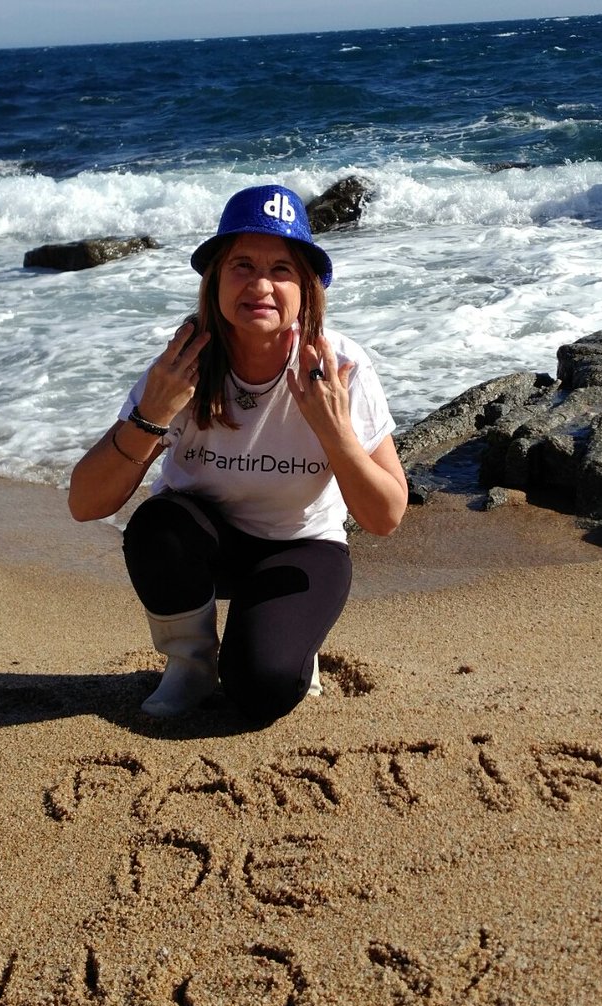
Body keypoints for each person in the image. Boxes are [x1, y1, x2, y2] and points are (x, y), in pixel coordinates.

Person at [68, 183, 407, 725]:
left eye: (281, 269)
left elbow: (385, 516)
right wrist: (152, 413)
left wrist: (335, 431)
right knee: (156, 525)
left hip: (302, 547)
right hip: (202, 546)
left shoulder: (339, 365)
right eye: (242, 265)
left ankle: (287, 638)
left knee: (263, 688)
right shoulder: (183, 363)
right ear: (216, 280)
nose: (260, 285)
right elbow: (86, 502)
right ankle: (191, 662)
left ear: (307, 287)